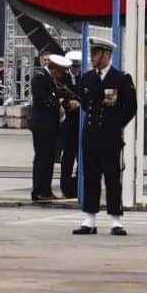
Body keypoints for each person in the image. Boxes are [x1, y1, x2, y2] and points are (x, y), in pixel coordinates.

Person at [73, 37, 135, 236]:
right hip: (90, 133)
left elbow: (131, 107)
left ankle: (115, 219)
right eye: (91, 53)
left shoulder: (120, 78)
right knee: (91, 176)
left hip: (110, 135)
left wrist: (117, 124)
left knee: (112, 177)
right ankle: (89, 218)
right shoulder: (87, 78)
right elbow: (84, 103)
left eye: (95, 53)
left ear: (107, 55)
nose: (91, 58)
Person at [28, 53, 68, 202]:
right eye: (60, 72)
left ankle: (46, 189)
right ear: (55, 69)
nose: (61, 75)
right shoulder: (39, 77)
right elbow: (42, 99)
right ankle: (38, 190)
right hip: (42, 125)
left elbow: (54, 96)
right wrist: (59, 103)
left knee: (49, 158)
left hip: (50, 126)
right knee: (42, 158)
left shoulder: (50, 79)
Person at [58, 49, 83, 199]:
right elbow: (58, 97)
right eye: (73, 66)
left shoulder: (84, 78)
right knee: (67, 156)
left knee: (82, 156)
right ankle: (65, 185)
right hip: (67, 123)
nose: (75, 69)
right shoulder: (63, 79)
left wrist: (80, 104)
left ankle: (79, 184)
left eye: (77, 66)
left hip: (81, 121)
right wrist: (68, 104)